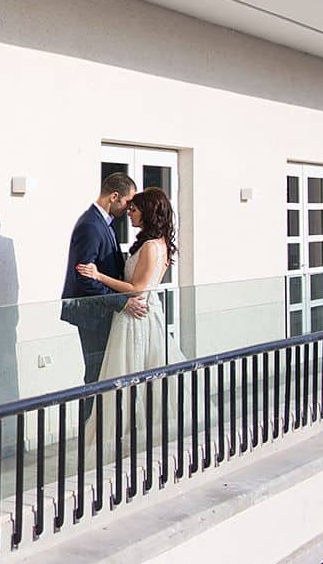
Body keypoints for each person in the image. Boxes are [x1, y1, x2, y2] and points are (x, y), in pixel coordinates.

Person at [76, 187, 189, 453]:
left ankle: (129, 436)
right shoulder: (157, 243)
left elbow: (137, 288)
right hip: (141, 313)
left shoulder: (151, 246)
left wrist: (98, 276)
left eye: (134, 210)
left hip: (136, 316)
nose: (130, 214)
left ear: (147, 212)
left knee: (129, 372)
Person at [60, 173, 147, 392]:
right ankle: (91, 415)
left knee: (106, 373)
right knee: (96, 375)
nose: (129, 208)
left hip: (103, 312)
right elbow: (84, 278)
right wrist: (122, 303)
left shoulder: (103, 223)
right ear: (114, 196)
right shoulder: (90, 225)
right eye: (127, 202)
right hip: (93, 314)